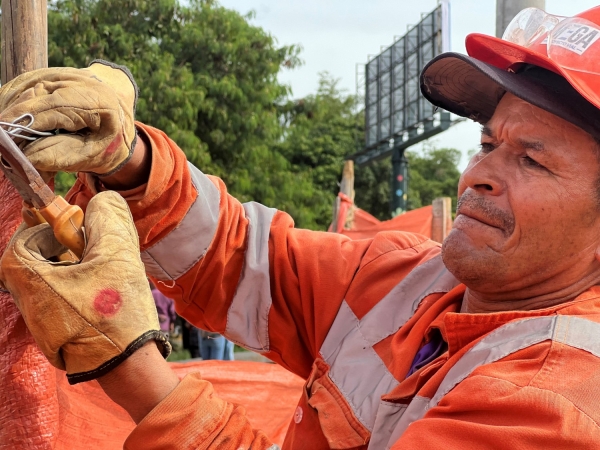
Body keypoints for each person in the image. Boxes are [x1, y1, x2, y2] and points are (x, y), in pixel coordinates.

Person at [3, 5, 600, 448]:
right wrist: (128, 161)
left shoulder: (557, 403)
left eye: (531, 159)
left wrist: (132, 366)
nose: (479, 175)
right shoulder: (408, 279)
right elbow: (237, 255)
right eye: (488, 142)